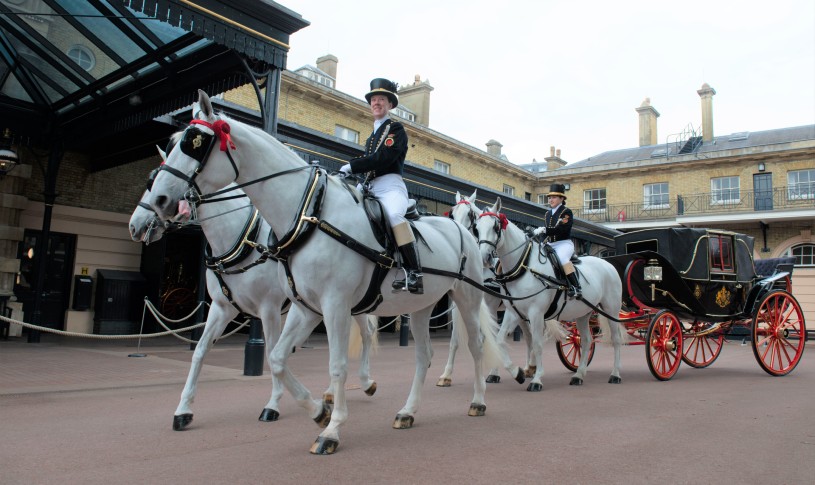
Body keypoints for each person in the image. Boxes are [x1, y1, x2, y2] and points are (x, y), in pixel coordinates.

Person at [339, 78, 422, 294]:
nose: (376, 103)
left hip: (390, 187)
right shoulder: (372, 137)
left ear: (390, 104)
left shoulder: (396, 129)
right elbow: (371, 160)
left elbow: (384, 158)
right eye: (373, 99)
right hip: (369, 188)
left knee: (394, 216)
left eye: (381, 99)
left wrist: (352, 165)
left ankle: (414, 272)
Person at [532, 183, 581, 298]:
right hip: (550, 244)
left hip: (564, 243)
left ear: (561, 198)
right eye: (549, 197)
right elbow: (546, 233)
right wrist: (540, 241)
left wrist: (545, 230)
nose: (550, 200)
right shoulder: (547, 214)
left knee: (563, 259)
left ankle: (576, 287)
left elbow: (562, 229)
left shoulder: (566, 212)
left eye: (553, 197)